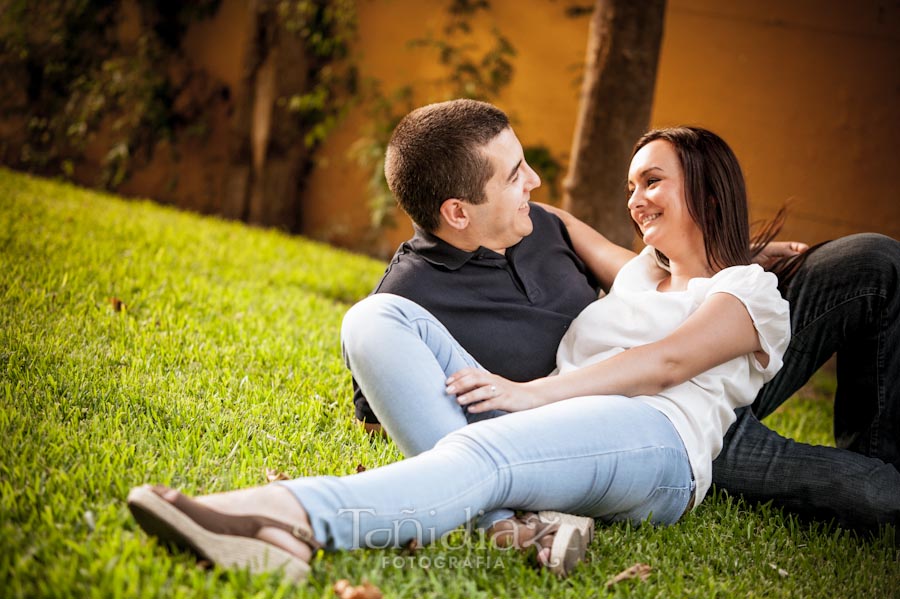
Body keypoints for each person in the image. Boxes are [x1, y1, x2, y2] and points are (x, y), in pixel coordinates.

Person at [128, 124, 791, 582]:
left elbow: (669, 362)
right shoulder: (640, 271)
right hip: (551, 431)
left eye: (652, 181)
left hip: (657, 446)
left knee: (478, 454)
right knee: (376, 317)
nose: (635, 200)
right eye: (630, 186)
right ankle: (511, 527)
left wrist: (531, 392)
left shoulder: (750, 294)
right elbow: (552, 220)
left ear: (706, 188)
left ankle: (281, 514)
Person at [341, 100, 900, 535]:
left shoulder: (542, 222)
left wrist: (735, 256)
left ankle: (877, 446)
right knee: (875, 496)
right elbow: (385, 411)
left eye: (651, 181)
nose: (533, 183)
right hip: (649, 428)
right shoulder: (409, 295)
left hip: (696, 376)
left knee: (876, 261)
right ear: (459, 212)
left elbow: (649, 308)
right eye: (514, 176)